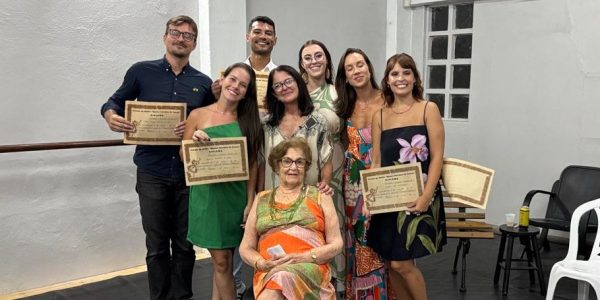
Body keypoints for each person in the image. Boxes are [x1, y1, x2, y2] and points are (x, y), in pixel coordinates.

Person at [100, 15, 214, 300]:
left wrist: (194, 127)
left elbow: (212, 124)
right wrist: (111, 116)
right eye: (176, 32)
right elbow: (113, 101)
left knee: (186, 245)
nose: (181, 38)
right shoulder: (141, 72)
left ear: (195, 44)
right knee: (157, 245)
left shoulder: (204, 82)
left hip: (190, 172)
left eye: (188, 35)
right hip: (152, 172)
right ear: (165, 37)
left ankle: (183, 297)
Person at [368, 53, 447, 300]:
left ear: (414, 78)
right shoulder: (379, 116)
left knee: (403, 264)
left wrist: (425, 197)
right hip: (388, 201)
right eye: (394, 73)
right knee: (392, 265)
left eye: (406, 72)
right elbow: (377, 162)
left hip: (419, 198)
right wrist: (371, 198)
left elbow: (436, 158)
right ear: (387, 80)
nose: (400, 78)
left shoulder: (428, 109)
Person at [183, 63, 262, 300]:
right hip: (207, 198)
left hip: (235, 198)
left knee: (224, 262)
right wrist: (194, 142)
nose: (235, 86)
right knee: (222, 262)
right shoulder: (197, 115)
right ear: (223, 79)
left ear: (247, 92)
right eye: (233, 79)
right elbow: (182, 156)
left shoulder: (249, 120)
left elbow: (253, 166)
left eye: (243, 85)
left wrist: (250, 203)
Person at [239, 137, 344, 299]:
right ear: (277, 165)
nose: (293, 167)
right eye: (287, 161)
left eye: (300, 162)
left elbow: (336, 244)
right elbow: (245, 247)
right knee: (278, 277)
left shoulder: (320, 196)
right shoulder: (261, 198)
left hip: (309, 267)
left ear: (306, 166)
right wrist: (261, 263)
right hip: (270, 268)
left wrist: (300, 257)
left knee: (280, 279)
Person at [334, 48, 390, 299]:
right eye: (350, 68)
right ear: (345, 76)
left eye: (360, 64)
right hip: (352, 184)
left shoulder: (388, 99)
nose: (356, 71)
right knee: (357, 242)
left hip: (383, 180)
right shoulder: (344, 106)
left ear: (369, 67)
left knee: (383, 238)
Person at [298, 39, 346, 294]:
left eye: (318, 56)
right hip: (303, 166)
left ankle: (337, 283)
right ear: (302, 64)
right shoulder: (296, 93)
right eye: (308, 57)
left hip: (337, 165)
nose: (314, 61)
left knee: (335, 221)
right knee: (309, 221)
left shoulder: (339, 93)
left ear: (327, 60)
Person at [262, 65, 333, 195]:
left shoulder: (317, 122)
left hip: (308, 199)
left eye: (288, 81)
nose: (284, 87)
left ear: (298, 83)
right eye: (277, 85)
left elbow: (326, 161)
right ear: (273, 94)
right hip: (272, 198)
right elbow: (260, 164)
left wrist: (325, 183)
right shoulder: (266, 125)